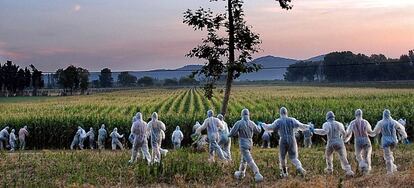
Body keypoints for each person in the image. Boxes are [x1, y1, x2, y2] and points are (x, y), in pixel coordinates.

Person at [260, 107, 310, 177]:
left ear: (280, 113)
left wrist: (263, 124)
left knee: (282, 157)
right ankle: (299, 167)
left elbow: (270, 128)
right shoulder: (292, 120)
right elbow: (301, 126)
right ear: (286, 113)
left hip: (282, 139)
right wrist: (309, 127)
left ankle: (284, 172)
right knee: (294, 157)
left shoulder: (278, 121)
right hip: (292, 139)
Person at [313, 111, 355, 177]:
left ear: (327, 117)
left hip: (331, 142)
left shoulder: (326, 124)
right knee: (343, 157)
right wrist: (343, 140)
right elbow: (344, 133)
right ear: (333, 117)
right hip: (339, 142)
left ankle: (329, 170)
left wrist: (314, 130)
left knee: (328, 156)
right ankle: (349, 171)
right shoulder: (339, 124)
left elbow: (324, 132)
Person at [229, 109, 263, 182]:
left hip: (243, 143)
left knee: (249, 159)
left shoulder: (239, 123)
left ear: (242, 114)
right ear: (248, 114)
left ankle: (257, 173)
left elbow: (232, 133)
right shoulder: (252, 123)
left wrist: (228, 133)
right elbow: (258, 131)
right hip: (250, 143)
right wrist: (259, 125)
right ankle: (241, 173)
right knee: (244, 160)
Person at [371, 109, 409, 175]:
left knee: (388, 157)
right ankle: (394, 167)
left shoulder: (381, 123)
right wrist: (404, 136)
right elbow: (401, 128)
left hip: (385, 141)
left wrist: (370, 134)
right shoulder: (394, 122)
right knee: (390, 154)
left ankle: (390, 172)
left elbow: (375, 132)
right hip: (394, 141)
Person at [344, 109, 375, 174]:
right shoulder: (365, 122)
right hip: (365, 139)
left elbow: (348, 132)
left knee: (358, 155)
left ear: (355, 114)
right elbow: (370, 132)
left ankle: (363, 166)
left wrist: (344, 139)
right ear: (361, 114)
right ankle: (367, 169)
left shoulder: (352, 123)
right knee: (366, 155)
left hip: (357, 140)